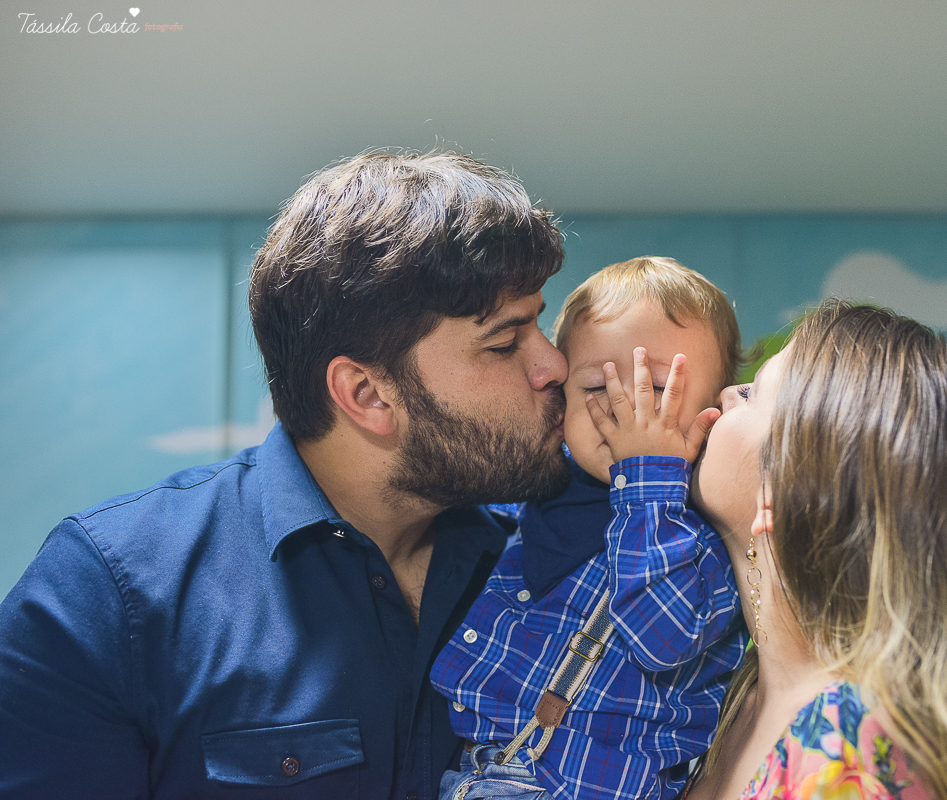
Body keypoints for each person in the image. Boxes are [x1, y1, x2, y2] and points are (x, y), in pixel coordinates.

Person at [0, 151, 576, 799]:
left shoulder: (561, 564)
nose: (555, 365)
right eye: (504, 342)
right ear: (366, 394)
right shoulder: (104, 595)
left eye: (541, 324)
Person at [685, 301, 947, 800]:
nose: (724, 394)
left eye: (749, 393)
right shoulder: (732, 696)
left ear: (788, 491)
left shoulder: (853, 741)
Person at [431, 257, 750, 800]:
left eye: (653, 389)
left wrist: (648, 476)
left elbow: (663, 640)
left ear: (710, 415)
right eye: (597, 386)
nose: (624, 409)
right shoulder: (523, 493)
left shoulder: (703, 538)